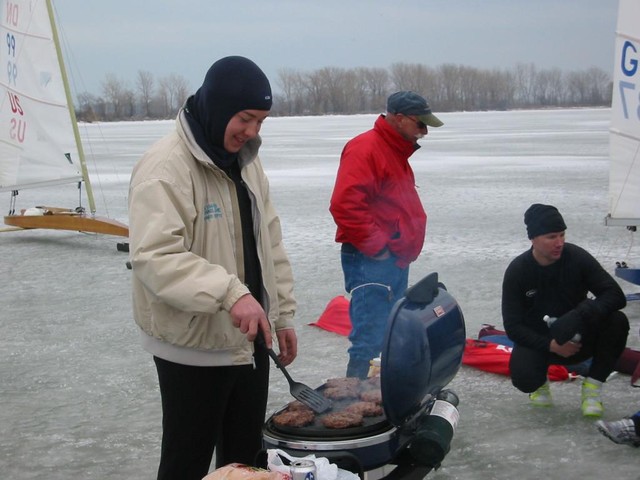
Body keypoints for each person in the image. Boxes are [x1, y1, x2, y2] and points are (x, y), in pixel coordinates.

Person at [128, 56, 297, 480]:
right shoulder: (165, 168)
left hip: (248, 339)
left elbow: (269, 241)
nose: (252, 131)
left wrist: (283, 315)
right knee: (187, 462)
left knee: (245, 461)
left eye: (261, 121)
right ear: (219, 107)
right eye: (245, 118)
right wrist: (230, 292)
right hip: (193, 348)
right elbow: (155, 256)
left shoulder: (247, 161)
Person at [329, 91, 443, 378]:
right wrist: (378, 248)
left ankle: (380, 397)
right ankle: (354, 402)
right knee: (370, 338)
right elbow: (345, 205)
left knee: (388, 335)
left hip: (392, 259)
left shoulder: (394, 149)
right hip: (372, 260)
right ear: (400, 118)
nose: (424, 132)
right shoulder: (366, 148)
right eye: (420, 124)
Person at [502, 203, 629, 417]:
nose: (559, 243)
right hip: (542, 342)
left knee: (617, 321)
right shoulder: (518, 271)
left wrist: (580, 314)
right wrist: (550, 345)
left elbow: (615, 296)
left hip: (580, 337)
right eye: (552, 237)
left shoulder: (577, 258)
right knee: (525, 379)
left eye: (562, 235)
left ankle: (592, 389)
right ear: (533, 239)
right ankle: (539, 386)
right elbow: (513, 327)